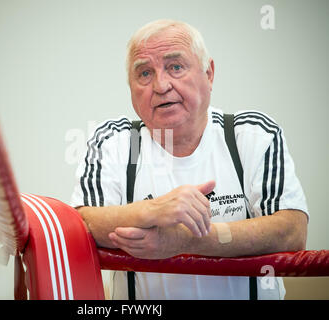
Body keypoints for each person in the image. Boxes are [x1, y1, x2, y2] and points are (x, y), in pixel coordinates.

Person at [70, 19, 309, 299]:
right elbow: (82, 224)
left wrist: (184, 240)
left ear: (209, 73)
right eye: (145, 73)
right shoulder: (114, 141)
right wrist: (151, 211)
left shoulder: (253, 134)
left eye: (175, 67)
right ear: (130, 88)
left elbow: (292, 232)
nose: (160, 85)